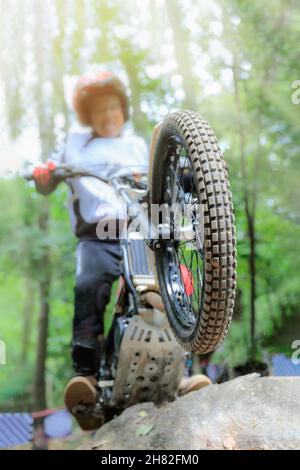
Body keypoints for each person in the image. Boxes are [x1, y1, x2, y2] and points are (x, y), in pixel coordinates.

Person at [33, 71, 211, 430]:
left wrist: (190, 177)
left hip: (140, 230)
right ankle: (86, 376)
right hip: (97, 235)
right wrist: (45, 174)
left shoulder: (136, 144)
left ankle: (183, 372)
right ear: (87, 116)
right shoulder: (74, 143)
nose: (108, 115)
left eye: (114, 108)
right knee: (89, 285)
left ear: (123, 110)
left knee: (172, 286)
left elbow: (164, 175)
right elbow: (48, 173)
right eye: (99, 111)